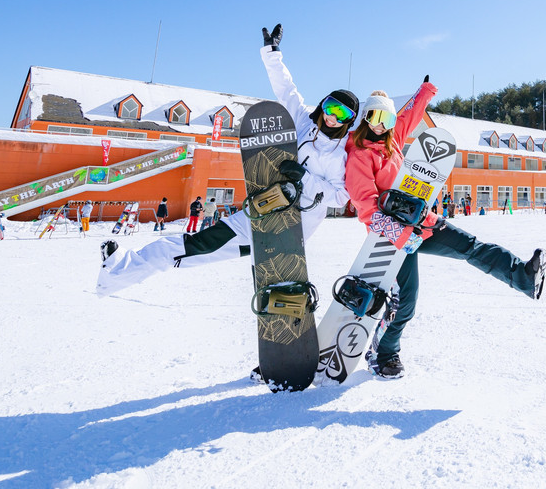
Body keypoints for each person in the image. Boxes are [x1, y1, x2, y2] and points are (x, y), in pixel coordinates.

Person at [97, 23, 357, 297]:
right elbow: (287, 90)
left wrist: (306, 179)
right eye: (330, 107)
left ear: (348, 121)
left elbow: (341, 198)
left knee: (198, 246)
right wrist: (272, 53)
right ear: (323, 104)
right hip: (264, 208)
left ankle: (120, 271)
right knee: (197, 244)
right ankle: (120, 270)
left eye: (341, 114)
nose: (332, 116)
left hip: (290, 228)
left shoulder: (339, 155)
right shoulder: (305, 123)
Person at [344, 77, 546, 380]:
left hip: (422, 224)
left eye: (386, 118)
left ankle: (524, 277)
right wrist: (402, 236)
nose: (380, 124)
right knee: (406, 302)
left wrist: (425, 92)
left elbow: (409, 116)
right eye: (374, 117)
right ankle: (382, 354)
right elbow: (367, 209)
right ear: (365, 118)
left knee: (471, 246)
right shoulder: (359, 155)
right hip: (391, 238)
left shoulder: (393, 140)